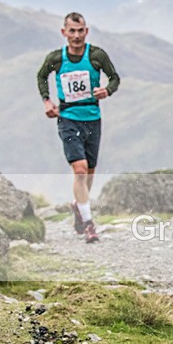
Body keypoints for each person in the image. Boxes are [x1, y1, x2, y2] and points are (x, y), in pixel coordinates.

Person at [37, 12, 120, 243]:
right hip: (68, 117)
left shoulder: (96, 55)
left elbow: (114, 77)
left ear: (86, 31)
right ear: (64, 33)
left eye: (80, 30)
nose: (76, 35)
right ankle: (89, 224)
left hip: (93, 117)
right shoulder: (56, 58)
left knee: (90, 170)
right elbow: (41, 76)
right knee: (80, 169)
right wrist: (47, 100)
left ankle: (78, 205)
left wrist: (107, 90)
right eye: (71, 31)